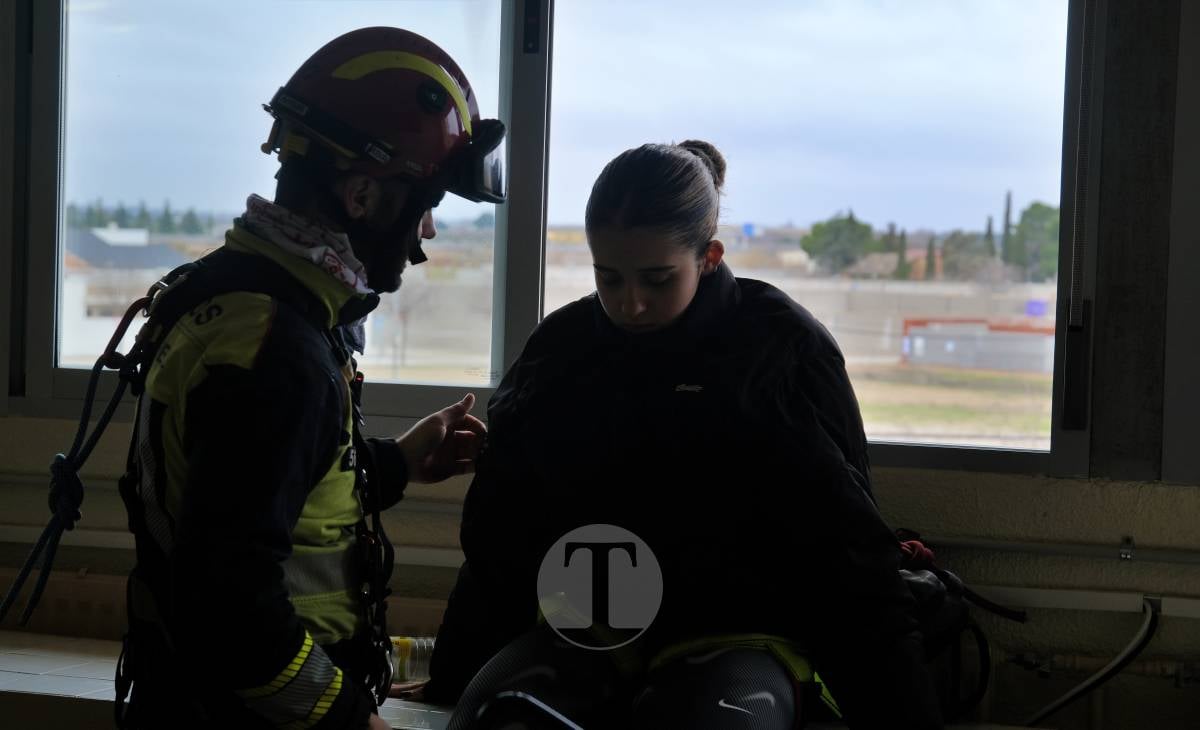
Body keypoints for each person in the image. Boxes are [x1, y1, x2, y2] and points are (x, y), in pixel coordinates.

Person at [420, 140, 944, 728]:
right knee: (499, 719)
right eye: (608, 278)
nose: (631, 304)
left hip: (743, 634)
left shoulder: (779, 350)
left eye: (657, 280)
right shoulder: (562, 351)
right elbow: (500, 534)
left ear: (709, 257)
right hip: (591, 629)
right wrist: (449, 681)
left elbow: (851, 555)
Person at [115, 27, 503, 729]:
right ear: (362, 194)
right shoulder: (280, 355)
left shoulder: (235, 295)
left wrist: (398, 463)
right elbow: (232, 605)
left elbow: (266, 492)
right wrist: (351, 719)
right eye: (426, 205)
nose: (426, 233)